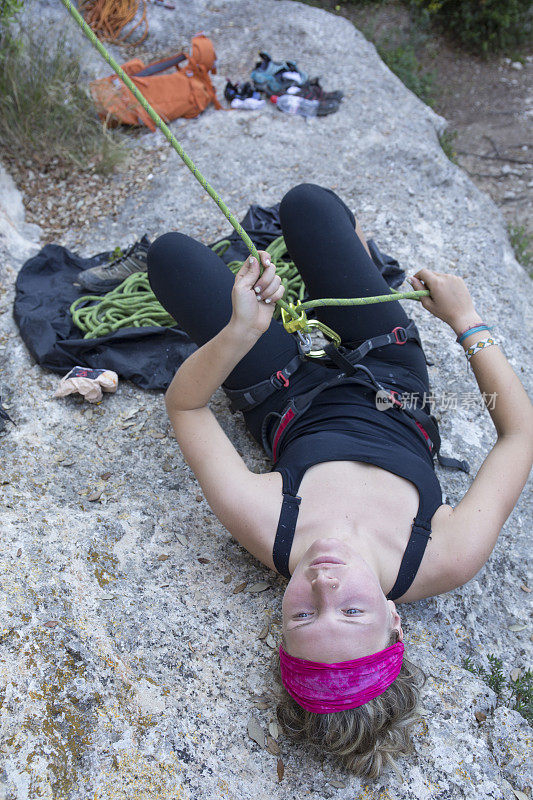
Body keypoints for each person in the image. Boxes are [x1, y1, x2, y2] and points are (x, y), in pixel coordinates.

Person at [147, 184, 533, 777]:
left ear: (279, 625)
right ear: (394, 620)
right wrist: (466, 322)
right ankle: (350, 260)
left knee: (170, 256)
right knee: (309, 207)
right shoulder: (444, 556)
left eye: (303, 617)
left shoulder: (269, 529)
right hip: (391, 378)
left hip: (281, 393)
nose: (324, 585)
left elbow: (187, 410)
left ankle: (318, 286)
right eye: (351, 613)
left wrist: (241, 333)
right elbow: (517, 436)